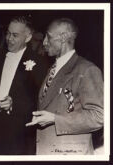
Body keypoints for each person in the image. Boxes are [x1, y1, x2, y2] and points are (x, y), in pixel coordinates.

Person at [26, 18, 104, 155]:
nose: (44, 42)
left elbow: (99, 116)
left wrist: (56, 119)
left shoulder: (87, 69)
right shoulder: (53, 68)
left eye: (48, 37)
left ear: (63, 38)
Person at [0, 16, 49, 155]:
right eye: (8, 33)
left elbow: (40, 100)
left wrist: (14, 104)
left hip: (20, 131)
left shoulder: (39, 63)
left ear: (28, 37)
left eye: (15, 35)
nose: (9, 38)